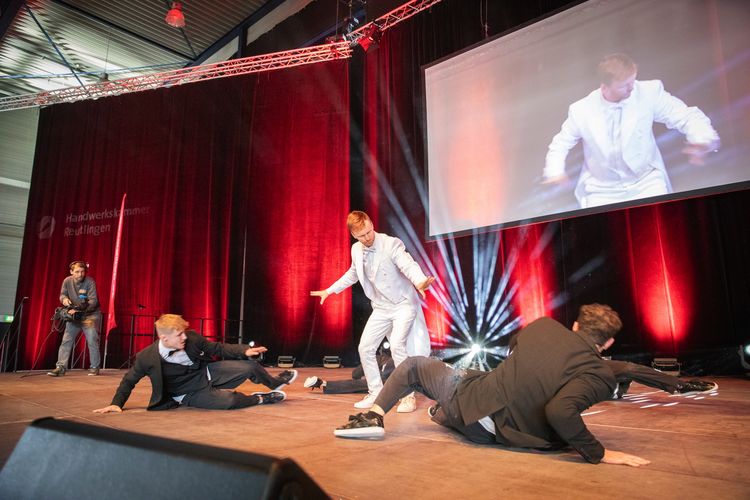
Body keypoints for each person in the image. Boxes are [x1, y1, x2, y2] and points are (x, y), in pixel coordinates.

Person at [334, 304, 651, 467]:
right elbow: (561, 412)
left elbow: (514, 351)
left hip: (473, 405)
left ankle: (373, 417)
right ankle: (441, 413)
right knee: (467, 383)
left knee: (416, 365)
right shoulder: (600, 374)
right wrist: (598, 453)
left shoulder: (544, 326)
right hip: (493, 436)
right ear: (608, 343)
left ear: (576, 325)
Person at [544, 53, 720, 208]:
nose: (631, 88)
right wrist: (555, 171)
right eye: (624, 85)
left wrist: (702, 138)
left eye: (633, 81)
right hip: (601, 189)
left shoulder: (648, 93)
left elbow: (685, 115)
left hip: (646, 182)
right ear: (604, 87)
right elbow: (560, 143)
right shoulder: (581, 110)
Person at [311, 211, 435, 412]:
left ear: (371, 224)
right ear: (354, 235)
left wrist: (420, 281)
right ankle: (375, 392)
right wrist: (330, 290)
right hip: (381, 307)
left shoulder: (390, 244)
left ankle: (407, 396)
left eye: (369, 231)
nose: (368, 237)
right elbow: (353, 274)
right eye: (362, 235)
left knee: (397, 345)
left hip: (403, 304)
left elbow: (408, 264)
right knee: (365, 348)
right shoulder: (356, 250)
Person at [93, 314, 297, 413]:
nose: (184, 337)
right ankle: (260, 399)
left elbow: (218, 348)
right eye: (179, 334)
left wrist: (244, 350)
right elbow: (128, 380)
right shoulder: (146, 358)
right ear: (164, 338)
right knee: (230, 401)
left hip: (206, 373)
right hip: (187, 392)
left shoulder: (191, 338)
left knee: (250, 366)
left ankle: (274, 383)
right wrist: (116, 403)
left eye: (183, 332)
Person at [47, 261, 102, 377]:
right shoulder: (67, 281)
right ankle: (60, 367)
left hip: (89, 315)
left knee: (92, 340)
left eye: (82, 272)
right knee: (66, 340)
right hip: (74, 316)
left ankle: (94, 367)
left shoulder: (90, 282)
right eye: (77, 272)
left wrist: (78, 309)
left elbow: (93, 301)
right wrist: (64, 300)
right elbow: (62, 295)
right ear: (71, 272)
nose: (80, 274)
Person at [304, 352, 395, 394]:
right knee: (355, 374)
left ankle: (322, 383)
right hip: (382, 360)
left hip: (390, 375)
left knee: (371, 384)